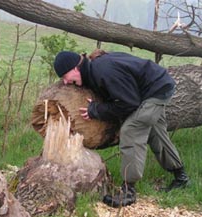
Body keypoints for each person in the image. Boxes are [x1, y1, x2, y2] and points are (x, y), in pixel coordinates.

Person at [53, 49, 190, 208]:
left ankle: (128, 191)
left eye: (64, 76)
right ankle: (181, 177)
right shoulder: (95, 69)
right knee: (156, 133)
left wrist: (96, 110)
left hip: (156, 91)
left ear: (75, 68)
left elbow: (129, 103)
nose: (65, 82)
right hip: (158, 87)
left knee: (131, 129)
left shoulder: (103, 71)